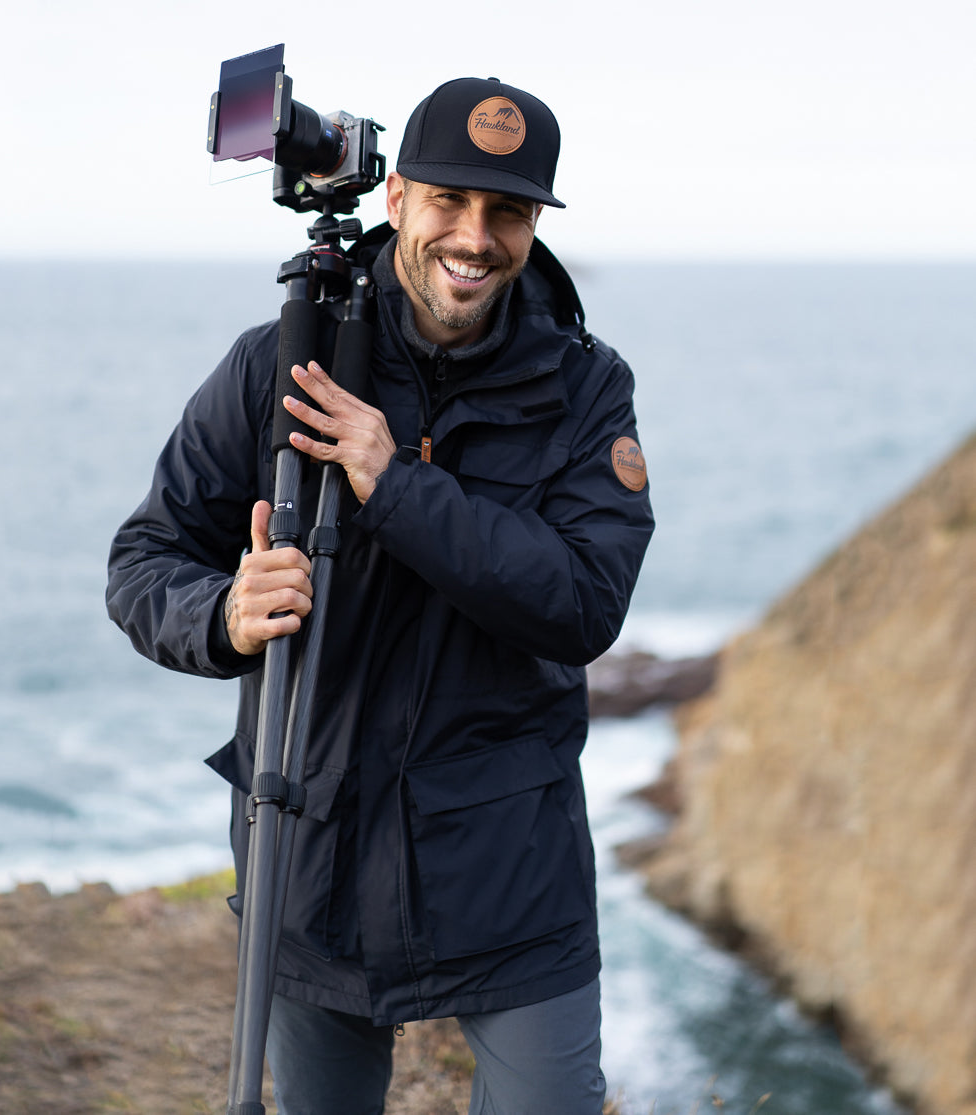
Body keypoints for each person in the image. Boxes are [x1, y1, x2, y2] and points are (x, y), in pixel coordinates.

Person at [107, 75, 654, 1115]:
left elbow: (583, 604)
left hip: (509, 867)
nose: (474, 235)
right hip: (308, 848)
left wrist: (394, 481)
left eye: (505, 211)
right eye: (449, 200)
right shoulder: (283, 359)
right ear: (397, 196)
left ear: (533, 224)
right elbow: (144, 559)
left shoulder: (587, 387)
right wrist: (220, 614)